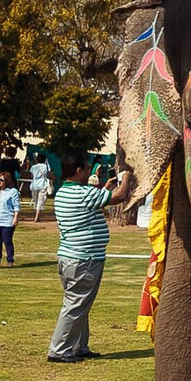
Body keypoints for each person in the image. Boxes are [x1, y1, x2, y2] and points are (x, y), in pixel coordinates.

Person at [48, 155, 134, 363]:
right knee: (75, 304)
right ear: (78, 171)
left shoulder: (63, 193)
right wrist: (127, 178)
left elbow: (94, 200)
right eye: (87, 168)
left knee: (80, 303)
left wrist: (106, 186)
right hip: (84, 259)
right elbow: (120, 196)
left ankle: (78, 346)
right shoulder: (83, 193)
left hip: (70, 257)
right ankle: (59, 349)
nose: (90, 172)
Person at [0, 170, 20, 267]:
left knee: (7, 240)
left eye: (1, 180)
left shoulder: (12, 191)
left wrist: (15, 218)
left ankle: (10, 260)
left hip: (7, 220)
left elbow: (16, 206)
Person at [28, 156, 52, 220]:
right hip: (43, 185)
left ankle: (35, 215)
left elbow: (31, 175)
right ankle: (37, 217)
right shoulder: (46, 166)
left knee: (35, 200)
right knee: (40, 201)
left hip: (34, 185)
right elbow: (49, 174)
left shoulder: (33, 167)